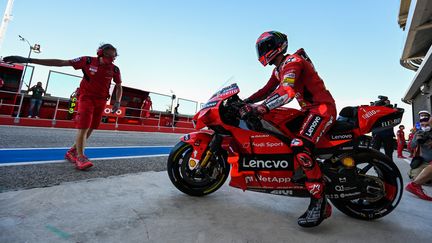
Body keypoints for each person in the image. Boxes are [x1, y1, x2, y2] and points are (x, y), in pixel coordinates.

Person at [241, 31, 335, 227]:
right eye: (262, 47)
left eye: (267, 46)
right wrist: (245, 101)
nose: (264, 50)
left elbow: (287, 91)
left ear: (279, 45)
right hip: (309, 111)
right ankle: (304, 171)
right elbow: (266, 90)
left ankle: (319, 202)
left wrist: (262, 107)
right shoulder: (278, 69)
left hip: (322, 109)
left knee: (299, 145)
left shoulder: (292, 61)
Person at [3, 43, 123, 170]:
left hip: (102, 100)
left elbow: (119, 85)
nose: (112, 59)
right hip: (86, 98)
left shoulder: (115, 69)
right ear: (100, 52)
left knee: (92, 127)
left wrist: (117, 101)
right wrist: (29, 60)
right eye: (109, 55)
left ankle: (72, 151)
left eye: (114, 57)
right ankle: (80, 157)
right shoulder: (87, 61)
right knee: (84, 126)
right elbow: (60, 62)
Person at [405, 116, 432, 201]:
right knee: (416, 177)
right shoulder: (418, 133)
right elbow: (412, 146)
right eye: (422, 125)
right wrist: (416, 140)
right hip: (424, 161)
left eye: (426, 124)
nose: (424, 126)